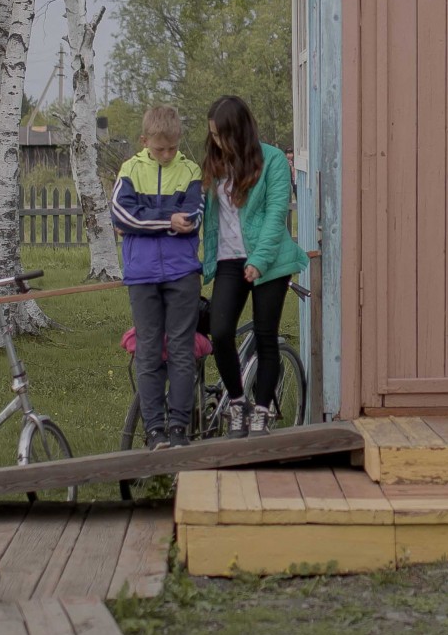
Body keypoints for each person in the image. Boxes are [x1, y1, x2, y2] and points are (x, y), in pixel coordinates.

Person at [200, 95, 306, 435]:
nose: (217, 142)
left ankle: (262, 410)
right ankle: (237, 401)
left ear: (240, 132)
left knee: (265, 335)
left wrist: (259, 261)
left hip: (269, 260)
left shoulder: (272, 160)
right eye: (213, 135)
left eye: (222, 135)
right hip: (230, 260)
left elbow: (277, 214)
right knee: (220, 332)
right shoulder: (214, 164)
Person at [110, 106, 204, 448]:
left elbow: (192, 215)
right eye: (159, 149)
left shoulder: (191, 170)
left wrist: (145, 218)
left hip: (182, 274)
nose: (166, 155)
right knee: (148, 352)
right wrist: (166, 221)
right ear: (144, 141)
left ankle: (179, 427)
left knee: (181, 350)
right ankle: (154, 430)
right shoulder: (130, 169)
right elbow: (121, 214)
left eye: (171, 148)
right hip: (142, 275)